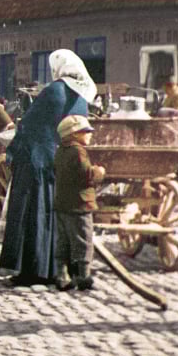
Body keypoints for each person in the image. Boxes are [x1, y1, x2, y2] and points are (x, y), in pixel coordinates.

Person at [0, 49, 96, 286]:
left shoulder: (54, 90)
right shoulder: (80, 96)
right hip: (62, 162)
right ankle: (60, 269)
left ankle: (32, 271)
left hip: (38, 163)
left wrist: (13, 151)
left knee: (32, 215)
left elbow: (30, 124)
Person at [53, 114, 106, 291]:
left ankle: (62, 276)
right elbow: (86, 175)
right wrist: (99, 172)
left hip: (62, 204)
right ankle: (83, 276)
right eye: (86, 131)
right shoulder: (78, 151)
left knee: (64, 241)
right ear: (75, 134)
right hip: (80, 205)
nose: (90, 134)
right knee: (83, 240)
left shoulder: (61, 150)